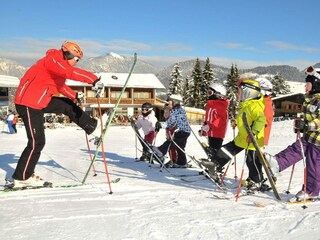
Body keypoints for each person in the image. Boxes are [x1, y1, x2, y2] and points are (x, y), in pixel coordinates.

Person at [12, 40, 104, 188]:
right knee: (37, 142)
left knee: (67, 105)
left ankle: (91, 126)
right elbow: (70, 73)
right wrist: (94, 80)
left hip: (39, 100)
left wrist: (74, 95)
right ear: (69, 54)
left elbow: (59, 86)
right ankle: (23, 177)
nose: (77, 62)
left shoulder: (58, 65)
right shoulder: (54, 60)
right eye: (77, 59)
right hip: (28, 103)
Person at [201, 76, 267, 189]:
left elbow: (261, 120)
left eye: (240, 92)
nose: (237, 94)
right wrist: (236, 122)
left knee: (252, 161)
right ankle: (215, 164)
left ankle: (256, 180)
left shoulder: (255, 106)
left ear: (248, 93)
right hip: (242, 138)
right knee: (227, 149)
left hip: (253, 140)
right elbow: (245, 119)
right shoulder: (245, 105)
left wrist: (254, 132)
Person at [265, 66, 320, 200]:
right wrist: (301, 125)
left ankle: (312, 191)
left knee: (313, 165)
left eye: (308, 84)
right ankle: (278, 162)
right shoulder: (310, 99)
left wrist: (307, 125)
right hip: (309, 136)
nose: (305, 87)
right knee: (296, 148)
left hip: (318, 141)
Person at [153, 94, 191, 168]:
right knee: (179, 147)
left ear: (175, 102)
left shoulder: (175, 111)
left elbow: (170, 122)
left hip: (181, 131)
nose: (167, 104)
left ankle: (161, 151)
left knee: (171, 142)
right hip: (185, 131)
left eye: (169, 102)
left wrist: (161, 125)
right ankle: (182, 162)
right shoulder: (180, 109)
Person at [199, 82, 229, 156]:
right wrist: (203, 131)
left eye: (210, 93)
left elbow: (220, 120)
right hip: (211, 134)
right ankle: (211, 162)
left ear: (217, 94)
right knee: (211, 151)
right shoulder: (211, 106)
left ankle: (216, 163)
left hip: (217, 135)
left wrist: (209, 127)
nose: (208, 95)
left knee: (215, 151)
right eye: (207, 92)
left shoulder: (220, 106)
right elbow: (208, 121)